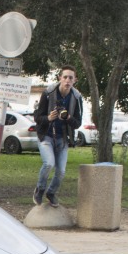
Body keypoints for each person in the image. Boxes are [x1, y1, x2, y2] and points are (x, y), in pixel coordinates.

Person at [32, 66, 82, 207]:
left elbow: (77, 123)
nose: (67, 80)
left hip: (63, 138)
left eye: (70, 78)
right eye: (65, 77)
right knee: (49, 163)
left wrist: (68, 118)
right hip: (46, 135)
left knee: (61, 171)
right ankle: (40, 189)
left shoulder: (76, 98)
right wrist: (48, 118)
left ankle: (51, 192)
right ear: (60, 78)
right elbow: (37, 117)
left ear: (75, 80)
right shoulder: (48, 93)